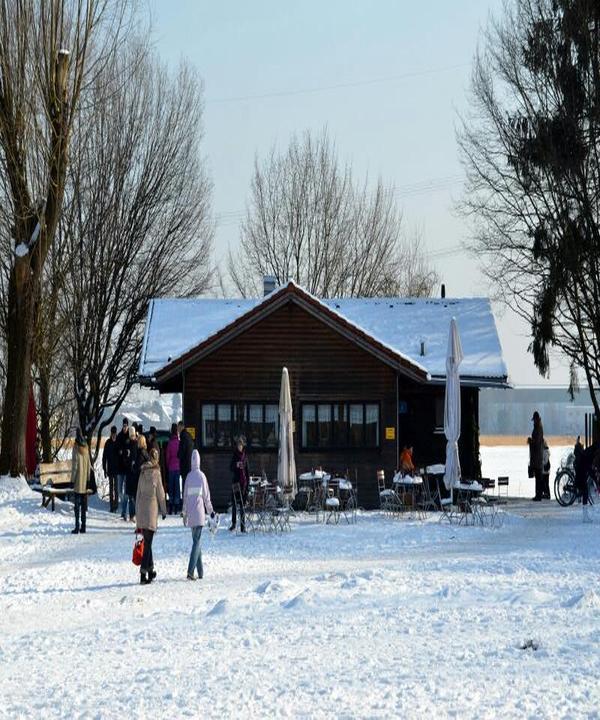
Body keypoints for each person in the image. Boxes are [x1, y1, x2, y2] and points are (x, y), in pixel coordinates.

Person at [135, 448, 167, 585]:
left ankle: (151, 570)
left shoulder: (142, 473)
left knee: (148, 542)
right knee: (148, 544)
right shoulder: (156, 473)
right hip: (152, 511)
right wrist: (164, 510)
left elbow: (138, 494)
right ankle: (143, 573)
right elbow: (160, 494)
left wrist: (136, 512)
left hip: (142, 510)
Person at [183, 449, 215, 581]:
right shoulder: (202, 476)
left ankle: (200, 572)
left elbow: (184, 496)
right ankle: (191, 571)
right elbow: (206, 497)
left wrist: (184, 513)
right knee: (197, 542)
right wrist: (211, 511)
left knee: (197, 541)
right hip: (200, 513)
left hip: (190, 514)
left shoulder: (188, 477)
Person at [71, 429, 91, 534]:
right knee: (83, 506)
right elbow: (88, 466)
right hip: (84, 482)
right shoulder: (86, 448)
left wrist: (72, 480)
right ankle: (83, 527)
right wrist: (88, 480)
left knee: (77, 506)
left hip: (78, 482)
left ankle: (77, 526)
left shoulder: (76, 448)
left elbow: (75, 466)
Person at [229, 437, 249, 533]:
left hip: (243, 483)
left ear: (243, 446)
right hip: (236, 483)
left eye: (241, 445)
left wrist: (248, 483)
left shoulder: (245, 457)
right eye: (238, 445)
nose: (239, 447)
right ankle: (233, 523)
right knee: (234, 503)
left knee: (242, 505)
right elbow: (230, 468)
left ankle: (243, 525)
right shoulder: (234, 456)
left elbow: (247, 471)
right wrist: (236, 465)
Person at [122, 426, 138, 522]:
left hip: (131, 473)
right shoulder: (130, 444)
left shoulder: (132, 444)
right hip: (131, 473)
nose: (132, 437)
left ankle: (132, 514)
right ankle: (131, 515)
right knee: (131, 496)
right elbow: (125, 459)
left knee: (131, 496)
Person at [102, 426, 119, 512]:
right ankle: (112, 506)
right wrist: (104, 469)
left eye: (114, 433)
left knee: (116, 488)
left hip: (117, 469)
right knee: (111, 487)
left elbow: (121, 456)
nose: (113, 435)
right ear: (111, 434)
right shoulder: (107, 443)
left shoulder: (118, 442)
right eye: (112, 433)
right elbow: (104, 457)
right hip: (110, 469)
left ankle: (116, 505)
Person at [165, 423, 181, 514]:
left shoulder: (170, 443)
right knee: (177, 486)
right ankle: (177, 505)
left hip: (171, 467)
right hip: (178, 467)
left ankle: (170, 506)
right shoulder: (179, 443)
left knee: (171, 487)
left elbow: (167, 456)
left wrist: (167, 465)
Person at [116, 418, 130, 519]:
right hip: (120, 467)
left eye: (126, 426)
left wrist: (124, 452)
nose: (125, 427)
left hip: (127, 468)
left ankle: (124, 511)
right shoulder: (120, 436)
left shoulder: (130, 436)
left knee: (126, 492)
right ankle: (123, 507)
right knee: (119, 490)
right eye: (124, 426)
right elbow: (118, 450)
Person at [529, 410, 544, 501]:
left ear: (536, 419)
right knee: (538, 476)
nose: (533, 421)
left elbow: (537, 441)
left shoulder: (538, 428)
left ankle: (538, 495)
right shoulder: (538, 427)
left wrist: (531, 441)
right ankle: (538, 494)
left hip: (537, 455)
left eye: (534, 420)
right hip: (537, 455)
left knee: (538, 476)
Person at [177, 421, 194, 494]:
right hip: (190, 465)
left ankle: (185, 502)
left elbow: (181, 453)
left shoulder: (183, 437)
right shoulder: (189, 436)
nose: (177, 430)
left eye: (178, 427)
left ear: (181, 427)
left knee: (185, 485)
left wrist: (178, 454)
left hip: (185, 466)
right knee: (189, 485)